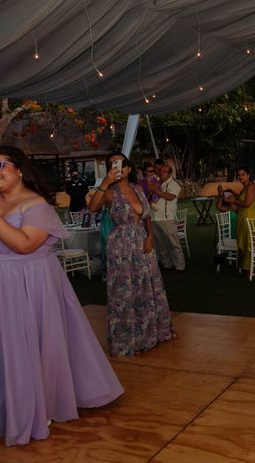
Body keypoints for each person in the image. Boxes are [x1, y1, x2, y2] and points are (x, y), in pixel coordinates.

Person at [0, 146, 123, 447]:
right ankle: (0, 405)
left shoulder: (37, 205)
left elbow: (24, 245)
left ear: (20, 170)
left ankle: (35, 405)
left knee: (28, 345)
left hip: (27, 284)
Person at [88, 152, 173, 356]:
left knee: (147, 286)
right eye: (113, 164)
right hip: (122, 246)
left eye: (123, 163)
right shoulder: (109, 192)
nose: (119, 167)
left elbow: (146, 215)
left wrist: (150, 236)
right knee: (125, 290)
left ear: (129, 168)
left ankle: (151, 333)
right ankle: (128, 339)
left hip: (142, 242)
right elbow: (92, 208)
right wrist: (105, 182)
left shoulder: (137, 188)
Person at [150, 163, 185, 271]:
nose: (161, 173)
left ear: (170, 173)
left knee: (173, 243)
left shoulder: (173, 184)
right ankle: (167, 264)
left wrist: (156, 191)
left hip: (167, 218)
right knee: (160, 244)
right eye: (160, 171)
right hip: (154, 218)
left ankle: (179, 266)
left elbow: (170, 197)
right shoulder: (157, 183)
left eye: (164, 171)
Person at [223, 167, 255, 272]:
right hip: (242, 217)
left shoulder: (250, 187)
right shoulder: (244, 188)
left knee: (249, 243)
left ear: (248, 175)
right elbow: (239, 206)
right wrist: (230, 202)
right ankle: (245, 268)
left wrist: (234, 200)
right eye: (238, 175)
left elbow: (247, 204)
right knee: (242, 242)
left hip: (249, 217)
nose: (240, 177)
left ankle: (251, 269)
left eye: (243, 174)